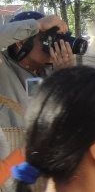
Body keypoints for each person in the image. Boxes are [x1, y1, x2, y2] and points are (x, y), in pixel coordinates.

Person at [0, 11, 75, 157]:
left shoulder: (51, 72)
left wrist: (64, 78)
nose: (54, 44)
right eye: (47, 38)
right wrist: (37, 25)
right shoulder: (3, 67)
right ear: (20, 42)